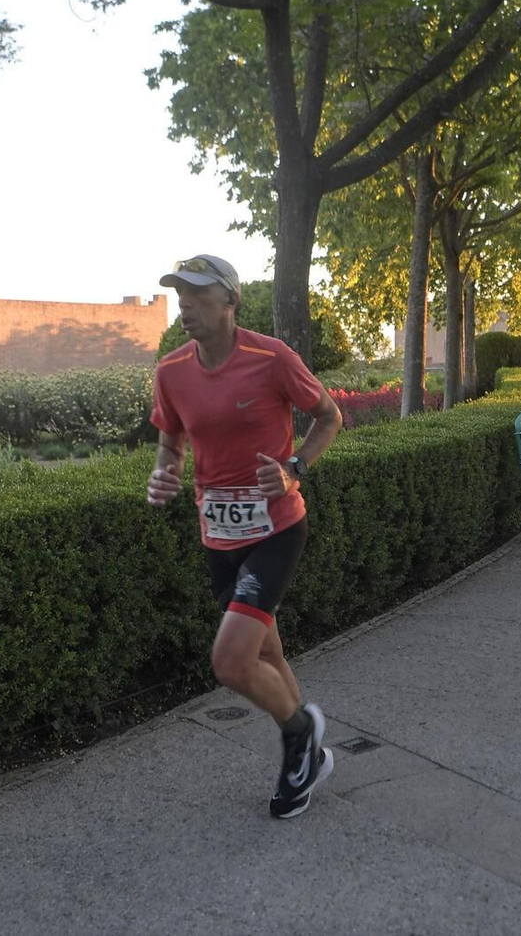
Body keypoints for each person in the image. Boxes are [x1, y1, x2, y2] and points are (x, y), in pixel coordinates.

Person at [146, 254, 345, 818]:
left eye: (198, 294)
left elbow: (328, 416)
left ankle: (300, 735)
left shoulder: (271, 357)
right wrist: (165, 473)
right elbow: (171, 443)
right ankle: (309, 752)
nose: (185, 305)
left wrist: (294, 468)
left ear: (231, 300)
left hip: (276, 528)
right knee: (266, 651)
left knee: (231, 661)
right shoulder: (171, 371)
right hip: (218, 535)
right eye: (180, 294)